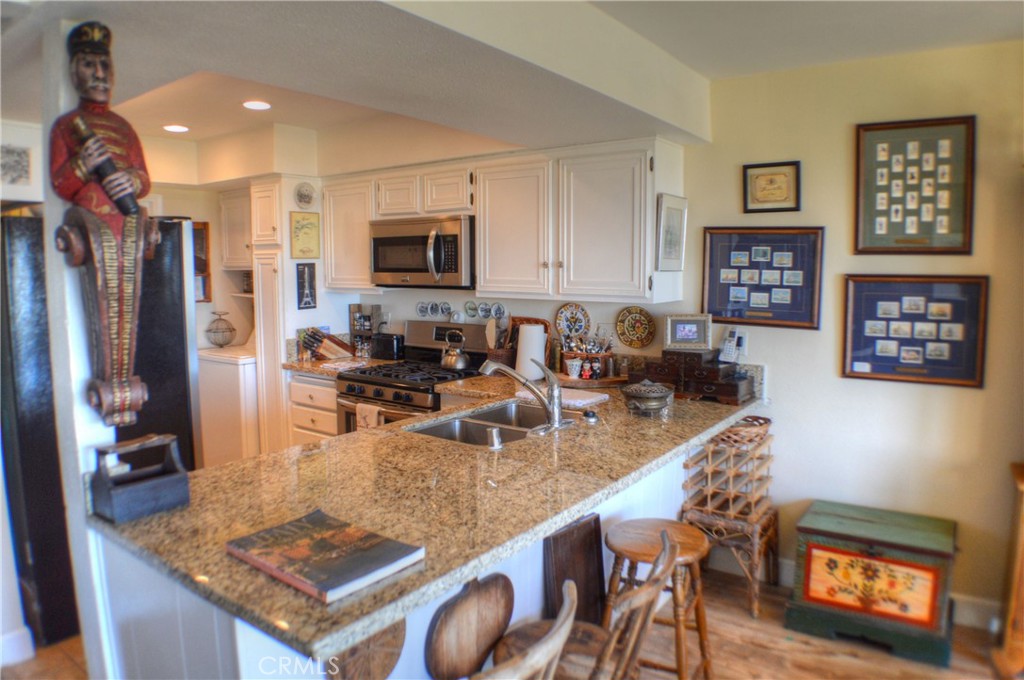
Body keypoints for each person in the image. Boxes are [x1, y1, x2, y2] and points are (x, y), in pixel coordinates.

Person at [50, 20, 150, 242]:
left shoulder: (124, 127)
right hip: (90, 220)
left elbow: (144, 179)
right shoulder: (65, 125)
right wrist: (83, 165)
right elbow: (61, 186)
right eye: (88, 64)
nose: (99, 73)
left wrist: (131, 180)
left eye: (105, 65)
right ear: (74, 73)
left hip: (129, 219)